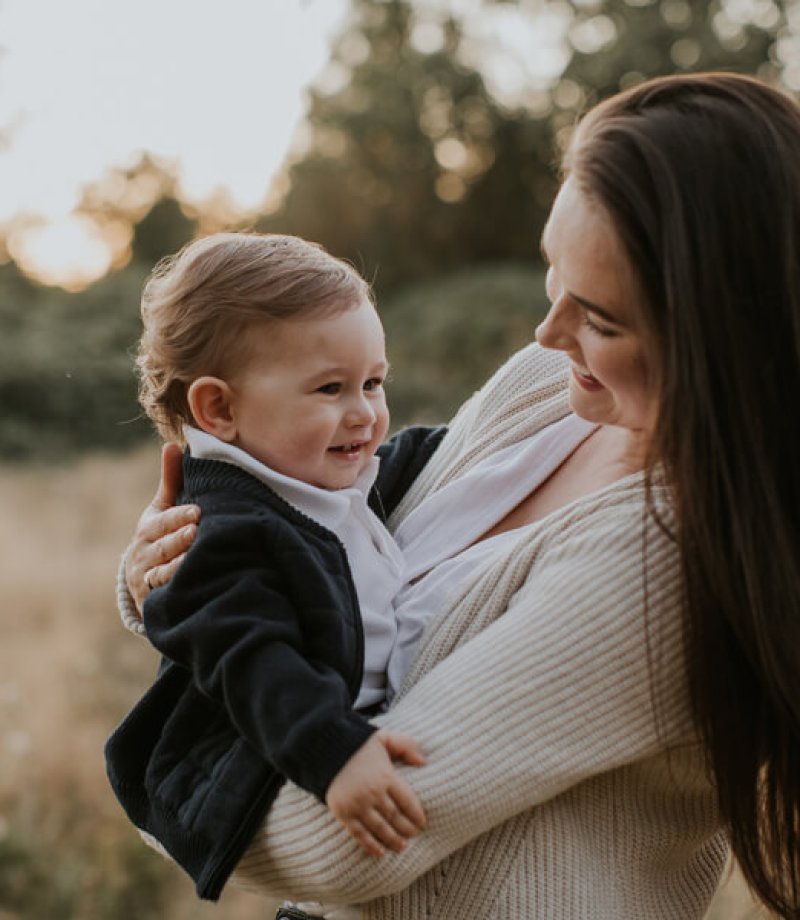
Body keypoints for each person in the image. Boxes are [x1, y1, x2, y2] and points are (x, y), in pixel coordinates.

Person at [118, 73, 800, 919]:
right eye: (554, 273)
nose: (547, 332)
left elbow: (346, 846)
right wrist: (178, 562)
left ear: (718, 333)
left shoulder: (670, 567)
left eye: (602, 317)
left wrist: (169, 757)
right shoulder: (554, 386)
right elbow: (333, 530)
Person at [105, 232, 453, 908]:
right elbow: (252, 656)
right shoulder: (216, 531)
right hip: (278, 765)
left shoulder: (311, 469)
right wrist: (334, 751)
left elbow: (412, 458)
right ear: (220, 409)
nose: (366, 414)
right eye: (331, 388)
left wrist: (495, 431)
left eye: (374, 382)